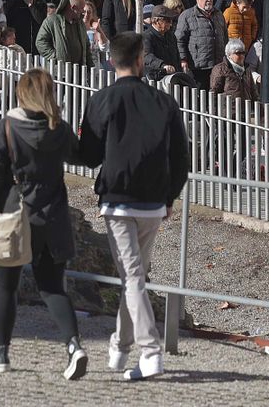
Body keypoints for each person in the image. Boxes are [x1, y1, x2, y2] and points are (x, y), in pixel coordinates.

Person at [76, 33, 190, 382]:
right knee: (134, 277)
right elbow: (181, 159)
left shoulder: (101, 100)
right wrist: (169, 197)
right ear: (141, 60)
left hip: (119, 201)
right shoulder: (164, 103)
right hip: (153, 203)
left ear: (111, 61)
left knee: (133, 277)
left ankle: (150, 352)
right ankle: (120, 347)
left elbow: (88, 155)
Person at [0, 69, 88, 380]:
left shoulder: (7, 128)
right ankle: (74, 345)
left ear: (21, 93)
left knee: (6, 285)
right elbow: (83, 156)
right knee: (52, 287)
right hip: (53, 215)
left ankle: (1, 352)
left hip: (15, 213)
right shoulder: (59, 129)